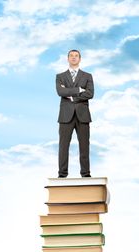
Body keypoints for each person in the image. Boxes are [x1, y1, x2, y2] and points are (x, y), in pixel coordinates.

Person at [56, 49, 94, 178]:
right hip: (65, 116)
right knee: (63, 146)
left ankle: (85, 173)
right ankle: (62, 174)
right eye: (71, 56)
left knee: (84, 146)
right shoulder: (60, 76)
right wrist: (78, 89)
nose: (73, 57)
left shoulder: (87, 76)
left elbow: (90, 94)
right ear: (67, 58)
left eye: (76, 56)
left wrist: (71, 96)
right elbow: (60, 92)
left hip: (83, 115)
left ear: (80, 59)